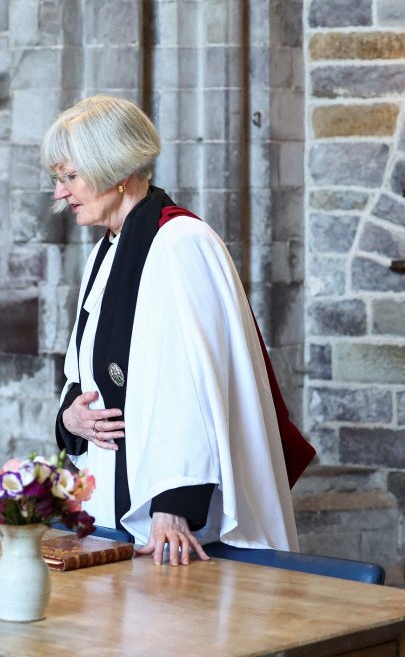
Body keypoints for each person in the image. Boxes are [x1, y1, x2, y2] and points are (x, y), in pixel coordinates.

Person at [45, 95, 315, 567]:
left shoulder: (180, 242)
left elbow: (194, 383)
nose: (59, 193)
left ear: (117, 168)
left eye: (70, 176)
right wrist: (71, 418)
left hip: (172, 520)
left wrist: (174, 506)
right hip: (109, 495)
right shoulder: (107, 250)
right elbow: (82, 370)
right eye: (58, 178)